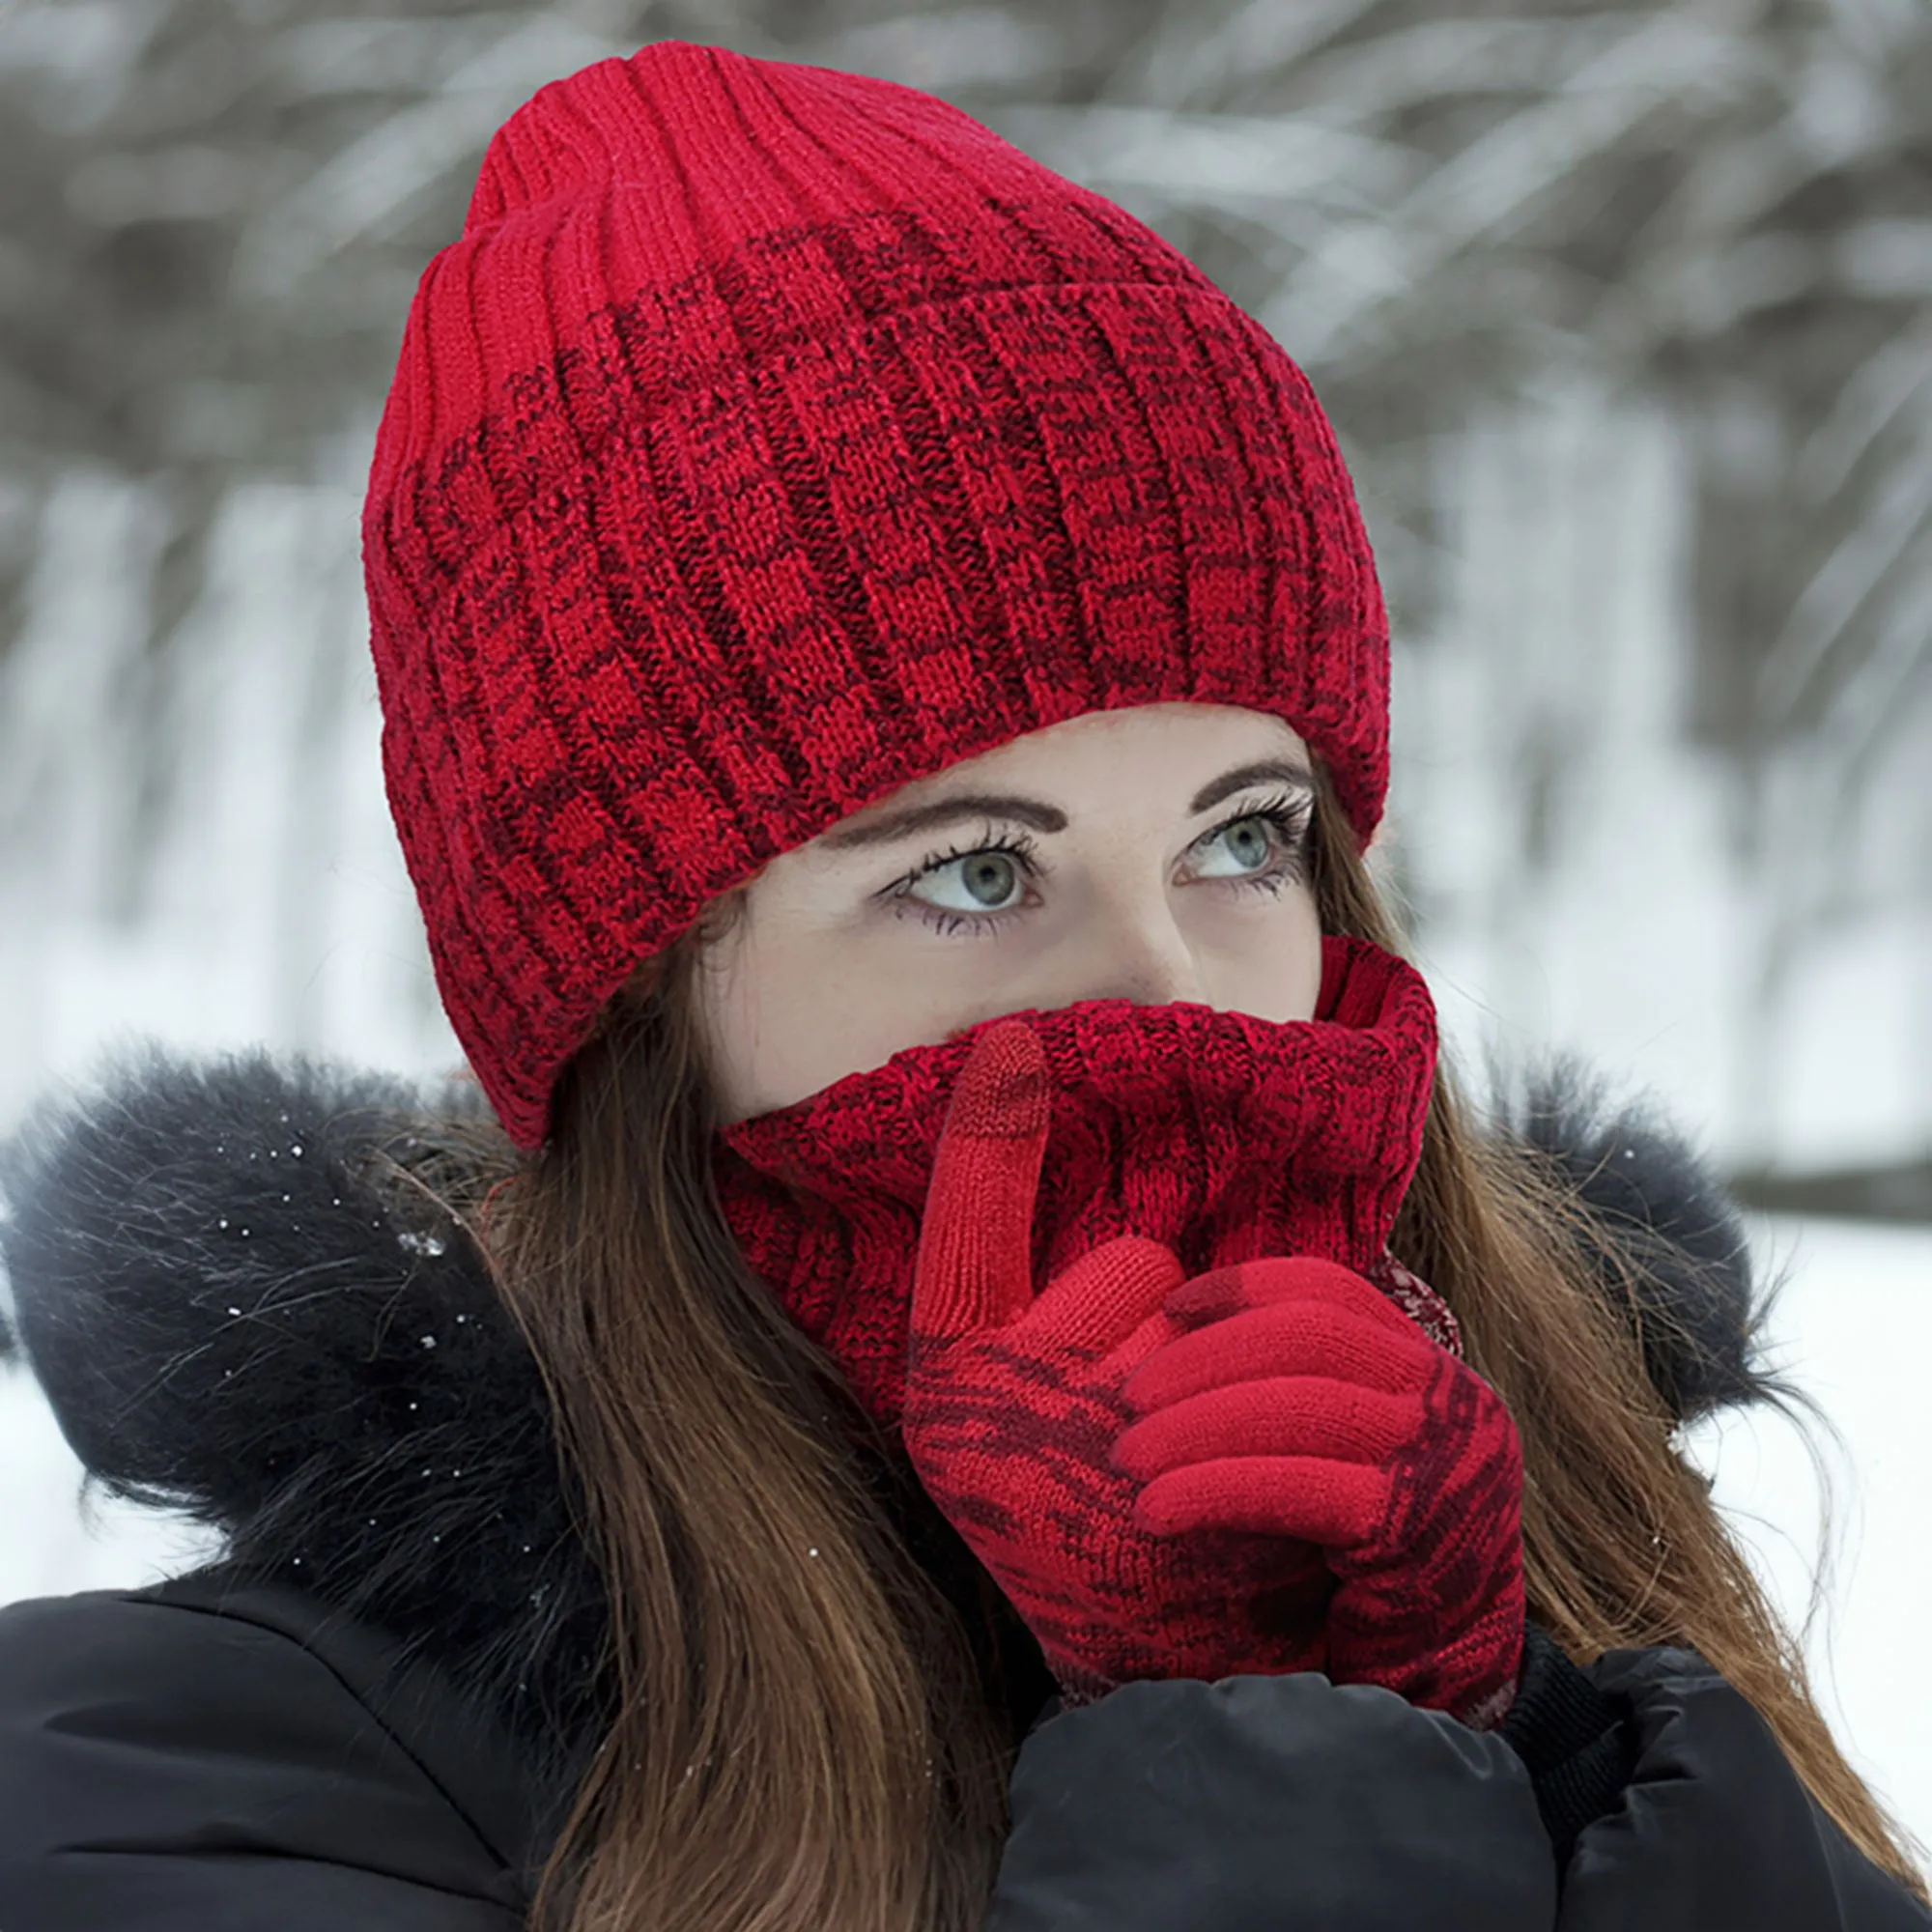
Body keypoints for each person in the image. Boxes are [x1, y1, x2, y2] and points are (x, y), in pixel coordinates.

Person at [0, 37, 1924, 1932]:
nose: (1165, 983)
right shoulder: (187, 1775)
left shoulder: (1568, 1541)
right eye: (975, 871)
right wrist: (1249, 1784)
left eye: (1241, 835)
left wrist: (1513, 1737)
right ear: (631, 993)